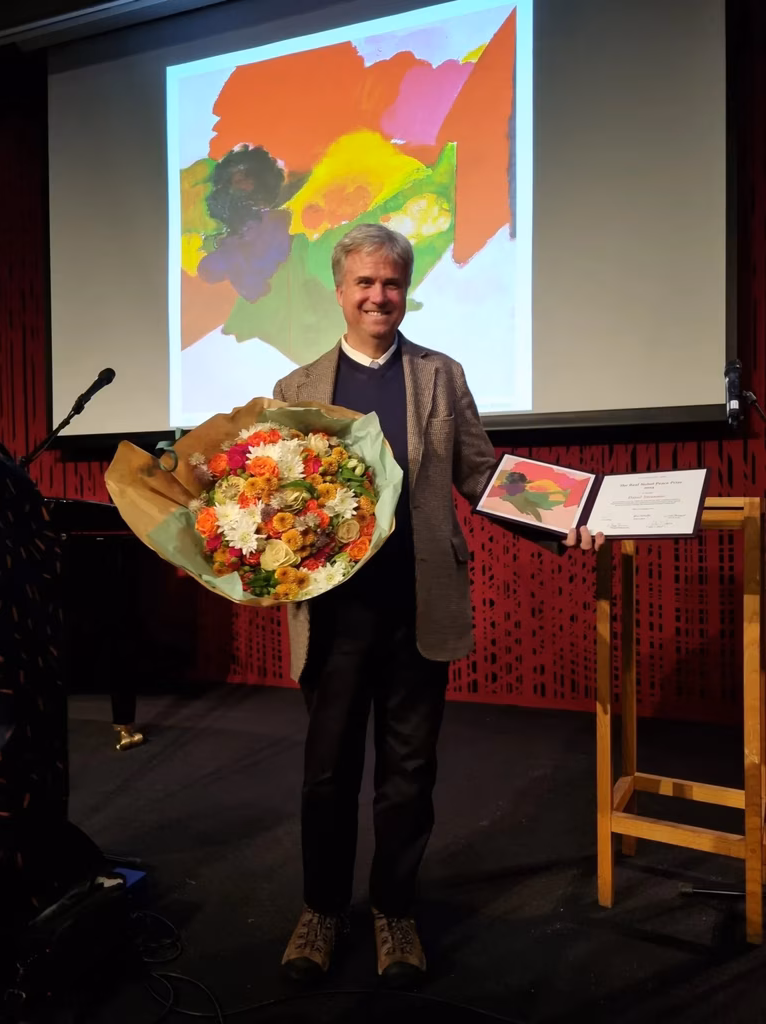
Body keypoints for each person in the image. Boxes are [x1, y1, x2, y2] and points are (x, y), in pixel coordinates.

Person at [273, 223, 602, 985]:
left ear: (405, 288)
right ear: (340, 291)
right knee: (326, 776)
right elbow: (270, 502)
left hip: (419, 606)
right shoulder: (295, 391)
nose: (378, 296)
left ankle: (394, 913)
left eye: (391, 283)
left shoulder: (439, 376)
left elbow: (482, 474)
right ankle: (320, 909)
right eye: (364, 283)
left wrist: (564, 522)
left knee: (408, 774)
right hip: (332, 616)